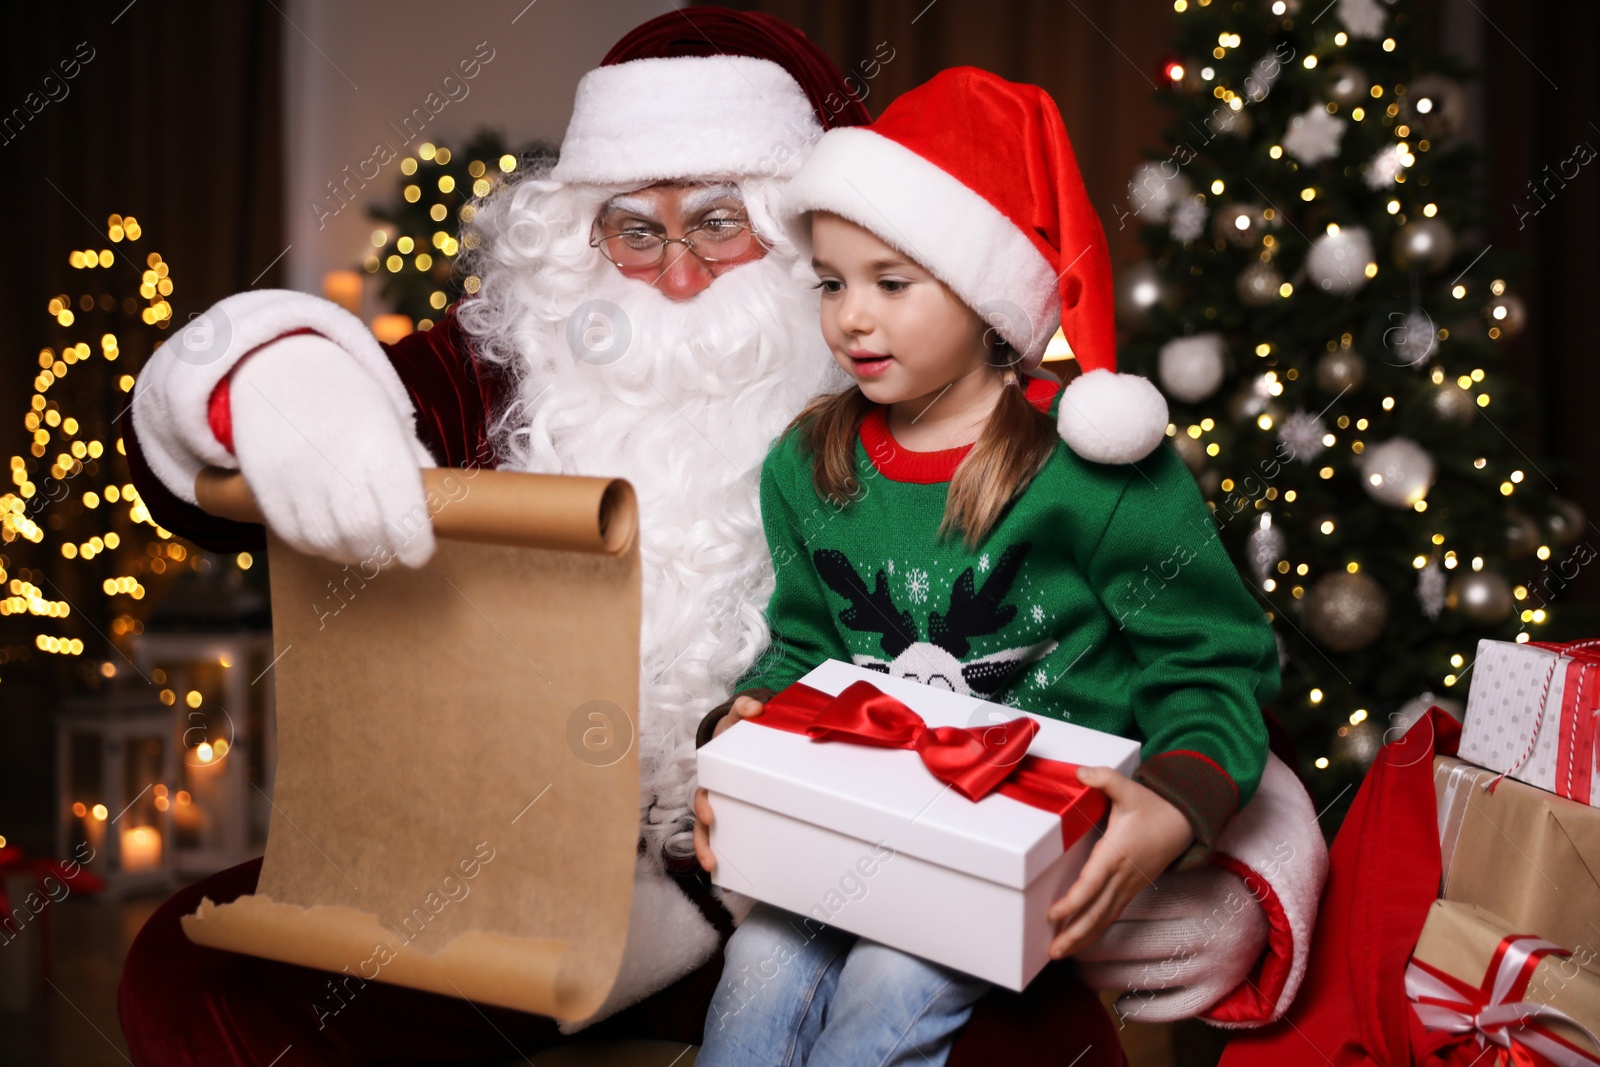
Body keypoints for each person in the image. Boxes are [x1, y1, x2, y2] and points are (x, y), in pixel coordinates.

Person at [119, 11, 1324, 1065]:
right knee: (204, 977)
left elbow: (1145, 652)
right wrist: (271, 375)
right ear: (576, 241)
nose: (678, 271)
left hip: (868, 863)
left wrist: (1245, 862)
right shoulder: (511, 368)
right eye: (634, 230)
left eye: (721, 221)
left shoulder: (1005, 433)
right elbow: (223, 459)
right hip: (514, 877)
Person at [690, 67, 1281, 1067]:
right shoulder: (806, 462)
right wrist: (745, 726)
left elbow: (1213, 659)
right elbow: (802, 646)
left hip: (1022, 836)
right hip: (862, 819)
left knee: (890, 978)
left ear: (982, 290)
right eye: (831, 283)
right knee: (758, 963)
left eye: (890, 282)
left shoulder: (1093, 469)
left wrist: (1176, 801)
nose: (851, 319)